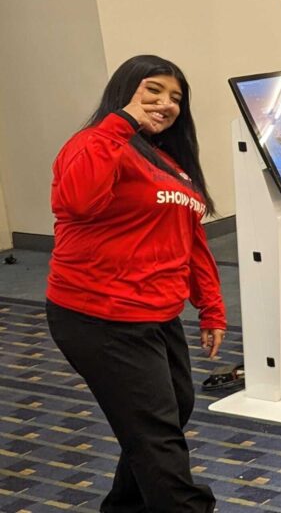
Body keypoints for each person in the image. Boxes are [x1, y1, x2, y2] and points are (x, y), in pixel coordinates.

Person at [47, 55, 225, 512]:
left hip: (158, 314)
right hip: (99, 316)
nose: (165, 104)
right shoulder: (93, 143)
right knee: (156, 432)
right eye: (153, 91)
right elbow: (77, 203)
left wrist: (211, 306)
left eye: (176, 98)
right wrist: (121, 122)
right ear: (126, 91)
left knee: (171, 412)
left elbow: (192, 239)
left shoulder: (168, 162)